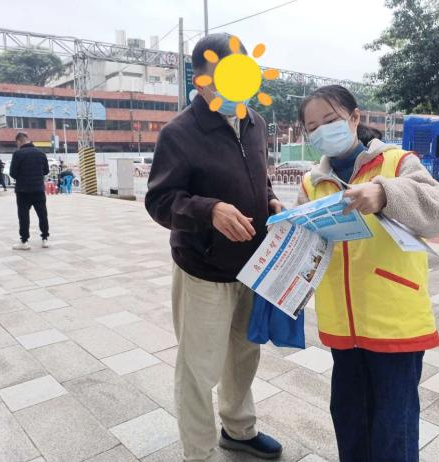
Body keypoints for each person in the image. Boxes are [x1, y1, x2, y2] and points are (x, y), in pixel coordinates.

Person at [296, 85, 439, 462]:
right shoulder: (311, 183)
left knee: (393, 426)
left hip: (394, 322)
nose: (322, 131)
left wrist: (385, 194)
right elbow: (304, 247)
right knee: (349, 418)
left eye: (331, 120)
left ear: (354, 118)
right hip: (342, 324)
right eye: (313, 127)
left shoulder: (397, 163)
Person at [145, 33, 283, 462]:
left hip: (252, 267)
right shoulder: (179, 132)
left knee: (243, 357)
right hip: (203, 269)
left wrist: (271, 201)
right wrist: (210, 210)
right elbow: (160, 201)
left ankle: (239, 430)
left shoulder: (255, 123)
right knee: (198, 368)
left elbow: (259, 177)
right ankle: (199, 453)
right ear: (201, 78)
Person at [9, 132, 50, 250]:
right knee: (42, 214)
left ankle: (24, 241)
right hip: (38, 189)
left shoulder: (18, 154)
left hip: (23, 191)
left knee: (23, 216)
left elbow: (12, 173)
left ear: (19, 141)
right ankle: (45, 239)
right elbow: (46, 171)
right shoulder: (41, 153)